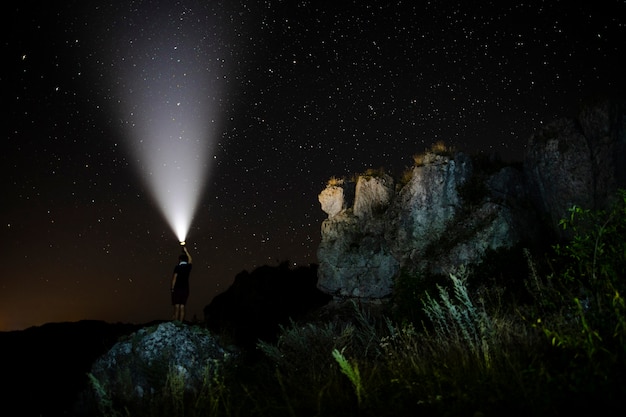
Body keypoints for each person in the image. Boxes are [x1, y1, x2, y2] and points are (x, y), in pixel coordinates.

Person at [171, 244, 192, 322]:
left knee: (176, 306)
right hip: (185, 289)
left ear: (179, 260)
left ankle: (176, 322)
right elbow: (191, 260)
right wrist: (186, 251)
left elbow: (174, 278)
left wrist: (172, 288)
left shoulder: (177, 267)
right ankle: (181, 322)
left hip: (177, 288)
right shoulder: (188, 268)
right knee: (182, 306)